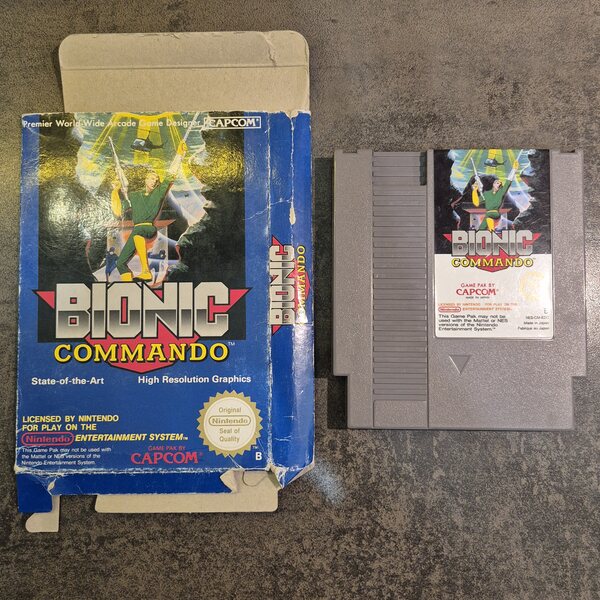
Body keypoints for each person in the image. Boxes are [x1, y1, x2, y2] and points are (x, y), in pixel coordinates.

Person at [111, 140, 187, 281]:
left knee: (139, 233)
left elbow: (170, 174)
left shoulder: (158, 193)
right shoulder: (134, 195)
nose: (154, 181)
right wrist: (115, 191)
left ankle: (146, 271)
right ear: (145, 180)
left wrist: (179, 155)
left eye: (156, 179)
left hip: (147, 228)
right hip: (137, 230)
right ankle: (129, 285)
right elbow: (118, 211)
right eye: (152, 178)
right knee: (120, 263)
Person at [472, 159, 520, 232]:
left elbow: (508, 181)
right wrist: (474, 191)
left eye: (500, 183)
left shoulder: (500, 193)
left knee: (488, 218)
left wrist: (514, 169)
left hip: (495, 214)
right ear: (493, 184)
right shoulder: (486, 194)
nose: (499, 183)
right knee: (482, 228)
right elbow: (476, 202)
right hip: (488, 214)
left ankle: (491, 230)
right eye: (497, 182)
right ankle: (487, 232)